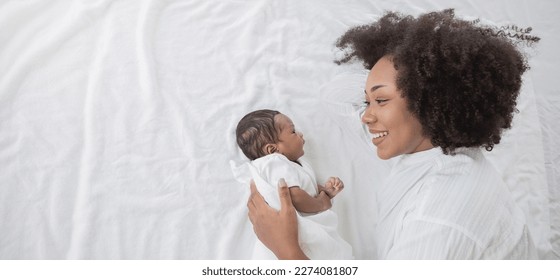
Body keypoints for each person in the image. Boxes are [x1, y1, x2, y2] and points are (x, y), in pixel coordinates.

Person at [246, 9, 539, 259]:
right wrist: (401, 78)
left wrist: (287, 251)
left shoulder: (437, 216)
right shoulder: (429, 146)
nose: (366, 115)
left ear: (429, 103)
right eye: (367, 101)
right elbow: (333, 96)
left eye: (381, 101)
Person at [234, 109, 353, 259]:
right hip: (297, 233)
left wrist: (326, 191)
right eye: (293, 131)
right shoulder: (274, 163)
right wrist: (322, 203)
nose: (301, 134)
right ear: (272, 149)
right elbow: (295, 197)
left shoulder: (291, 165)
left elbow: (305, 189)